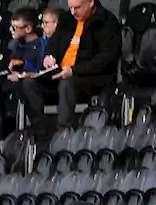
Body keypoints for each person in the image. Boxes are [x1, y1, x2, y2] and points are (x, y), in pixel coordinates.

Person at [18, 0, 121, 139]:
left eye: (77, 7)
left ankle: (64, 133)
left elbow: (106, 59)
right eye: (70, 7)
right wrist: (49, 57)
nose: (73, 12)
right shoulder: (67, 19)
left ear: (91, 2)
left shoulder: (107, 22)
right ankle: (42, 132)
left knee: (67, 83)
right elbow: (53, 43)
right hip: (59, 74)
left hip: (89, 78)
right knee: (29, 83)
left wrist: (74, 70)